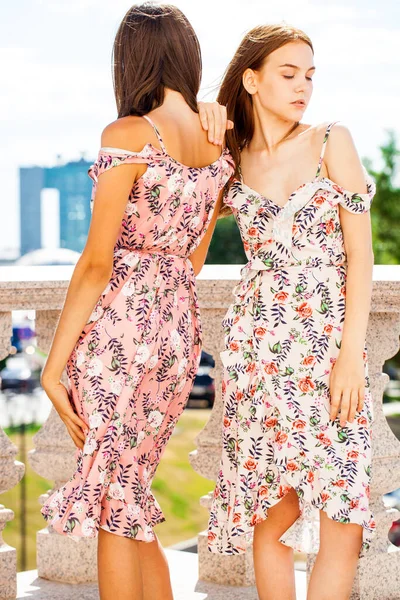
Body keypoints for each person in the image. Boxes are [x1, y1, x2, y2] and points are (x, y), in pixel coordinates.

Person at [39, 4, 234, 600]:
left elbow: (97, 262)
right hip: (178, 333)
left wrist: (53, 364)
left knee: (111, 506)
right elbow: (192, 261)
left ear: (131, 60)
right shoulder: (214, 142)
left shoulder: (127, 134)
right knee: (127, 491)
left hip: (119, 333)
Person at [199, 24, 376, 600]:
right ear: (251, 79)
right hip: (258, 352)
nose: (303, 86)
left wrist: (351, 356)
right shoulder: (229, 156)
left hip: (327, 350)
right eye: (287, 72)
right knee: (271, 513)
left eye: (309, 74)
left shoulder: (331, 140)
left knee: (342, 515)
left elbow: (361, 255)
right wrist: (206, 115)